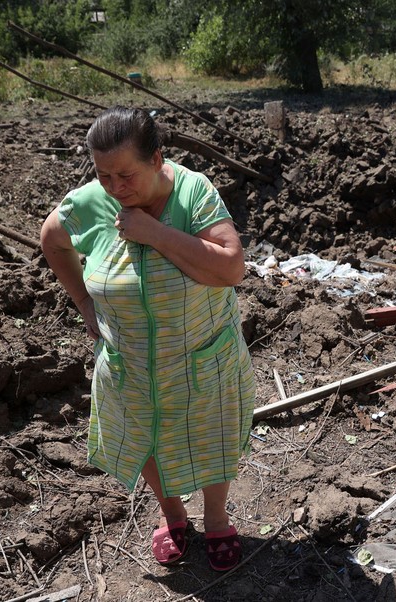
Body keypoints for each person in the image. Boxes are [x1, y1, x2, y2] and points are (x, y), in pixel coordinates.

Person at [40, 106, 256, 571]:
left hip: (203, 352)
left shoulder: (193, 193)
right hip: (129, 359)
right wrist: (83, 303)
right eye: (104, 176)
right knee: (149, 436)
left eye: (126, 175)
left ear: (158, 159)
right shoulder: (88, 204)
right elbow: (51, 240)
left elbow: (231, 267)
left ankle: (216, 519)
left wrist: (154, 233)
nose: (116, 188)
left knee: (211, 432)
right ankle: (173, 514)